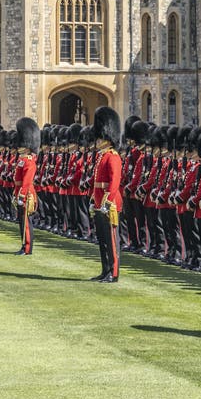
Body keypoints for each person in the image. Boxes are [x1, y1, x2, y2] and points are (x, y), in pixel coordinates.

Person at [90, 106, 123, 282]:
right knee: (102, 240)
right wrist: (93, 200)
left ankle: (114, 272)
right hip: (98, 202)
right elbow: (96, 182)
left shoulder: (113, 156)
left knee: (111, 240)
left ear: (108, 138)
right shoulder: (102, 156)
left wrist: (107, 201)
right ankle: (105, 270)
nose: (97, 141)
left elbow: (114, 181)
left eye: (101, 137)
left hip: (109, 204)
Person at [13, 117, 40, 255]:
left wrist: (22, 195)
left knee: (26, 224)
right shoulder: (22, 160)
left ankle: (27, 247)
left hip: (26, 194)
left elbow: (27, 181)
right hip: (20, 193)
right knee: (21, 222)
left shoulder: (29, 161)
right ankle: (23, 245)